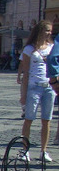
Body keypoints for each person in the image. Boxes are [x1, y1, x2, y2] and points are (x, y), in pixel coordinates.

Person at [18, 20, 55, 163]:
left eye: (50, 30)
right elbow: (26, 73)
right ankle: (24, 150)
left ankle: (43, 151)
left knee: (47, 120)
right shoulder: (29, 49)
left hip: (49, 87)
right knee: (29, 119)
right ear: (39, 31)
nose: (49, 33)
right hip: (34, 86)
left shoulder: (52, 48)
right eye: (46, 30)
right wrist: (23, 94)